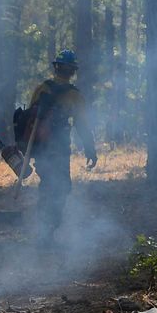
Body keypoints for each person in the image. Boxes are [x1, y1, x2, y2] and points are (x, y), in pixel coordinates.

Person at [24, 49, 97, 244]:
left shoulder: (42, 89)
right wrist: (90, 150)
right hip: (59, 149)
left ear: (56, 68)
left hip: (40, 149)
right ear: (73, 71)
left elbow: (28, 119)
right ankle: (47, 232)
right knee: (60, 187)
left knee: (47, 186)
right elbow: (82, 125)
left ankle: (44, 231)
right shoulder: (75, 96)